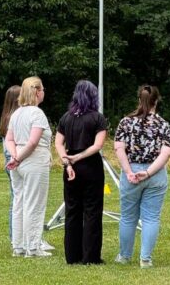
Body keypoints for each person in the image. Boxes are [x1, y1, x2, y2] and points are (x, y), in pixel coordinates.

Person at [114, 85, 170, 268]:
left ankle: (124, 256)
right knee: (151, 218)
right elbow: (166, 153)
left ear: (139, 100)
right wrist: (148, 172)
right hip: (155, 174)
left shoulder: (125, 122)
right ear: (156, 101)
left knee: (128, 217)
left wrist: (128, 171)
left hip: (131, 172)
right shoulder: (163, 124)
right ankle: (145, 258)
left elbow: (118, 148)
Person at [55, 80, 107, 264]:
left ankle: (72, 255)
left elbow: (58, 143)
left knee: (72, 210)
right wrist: (79, 157)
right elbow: (98, 145)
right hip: (91, 166)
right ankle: (90, 256)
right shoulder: (97, 118)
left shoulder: (66, 118)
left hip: (70, 167)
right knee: (92, 210)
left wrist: (67, 160)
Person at [5, 76, 52, 257]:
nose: (44, 92)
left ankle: (18, 246)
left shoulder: (16, 113)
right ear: (37, 92)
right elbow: (33, 142)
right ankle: (32, 247)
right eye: (43, 89)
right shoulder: (37, 114)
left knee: (19, 201)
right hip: (34, 160)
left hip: (18, 159)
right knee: (34, 203)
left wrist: (14, 156)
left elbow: (9, 139)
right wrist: (18, 158)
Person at [0, 85, 21, 241]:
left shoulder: (6, 116)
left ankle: (16, 236)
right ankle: (16, 236)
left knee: (16, 197)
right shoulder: (14, 118)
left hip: (10, 159)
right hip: (13, 159)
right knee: (18, 199)